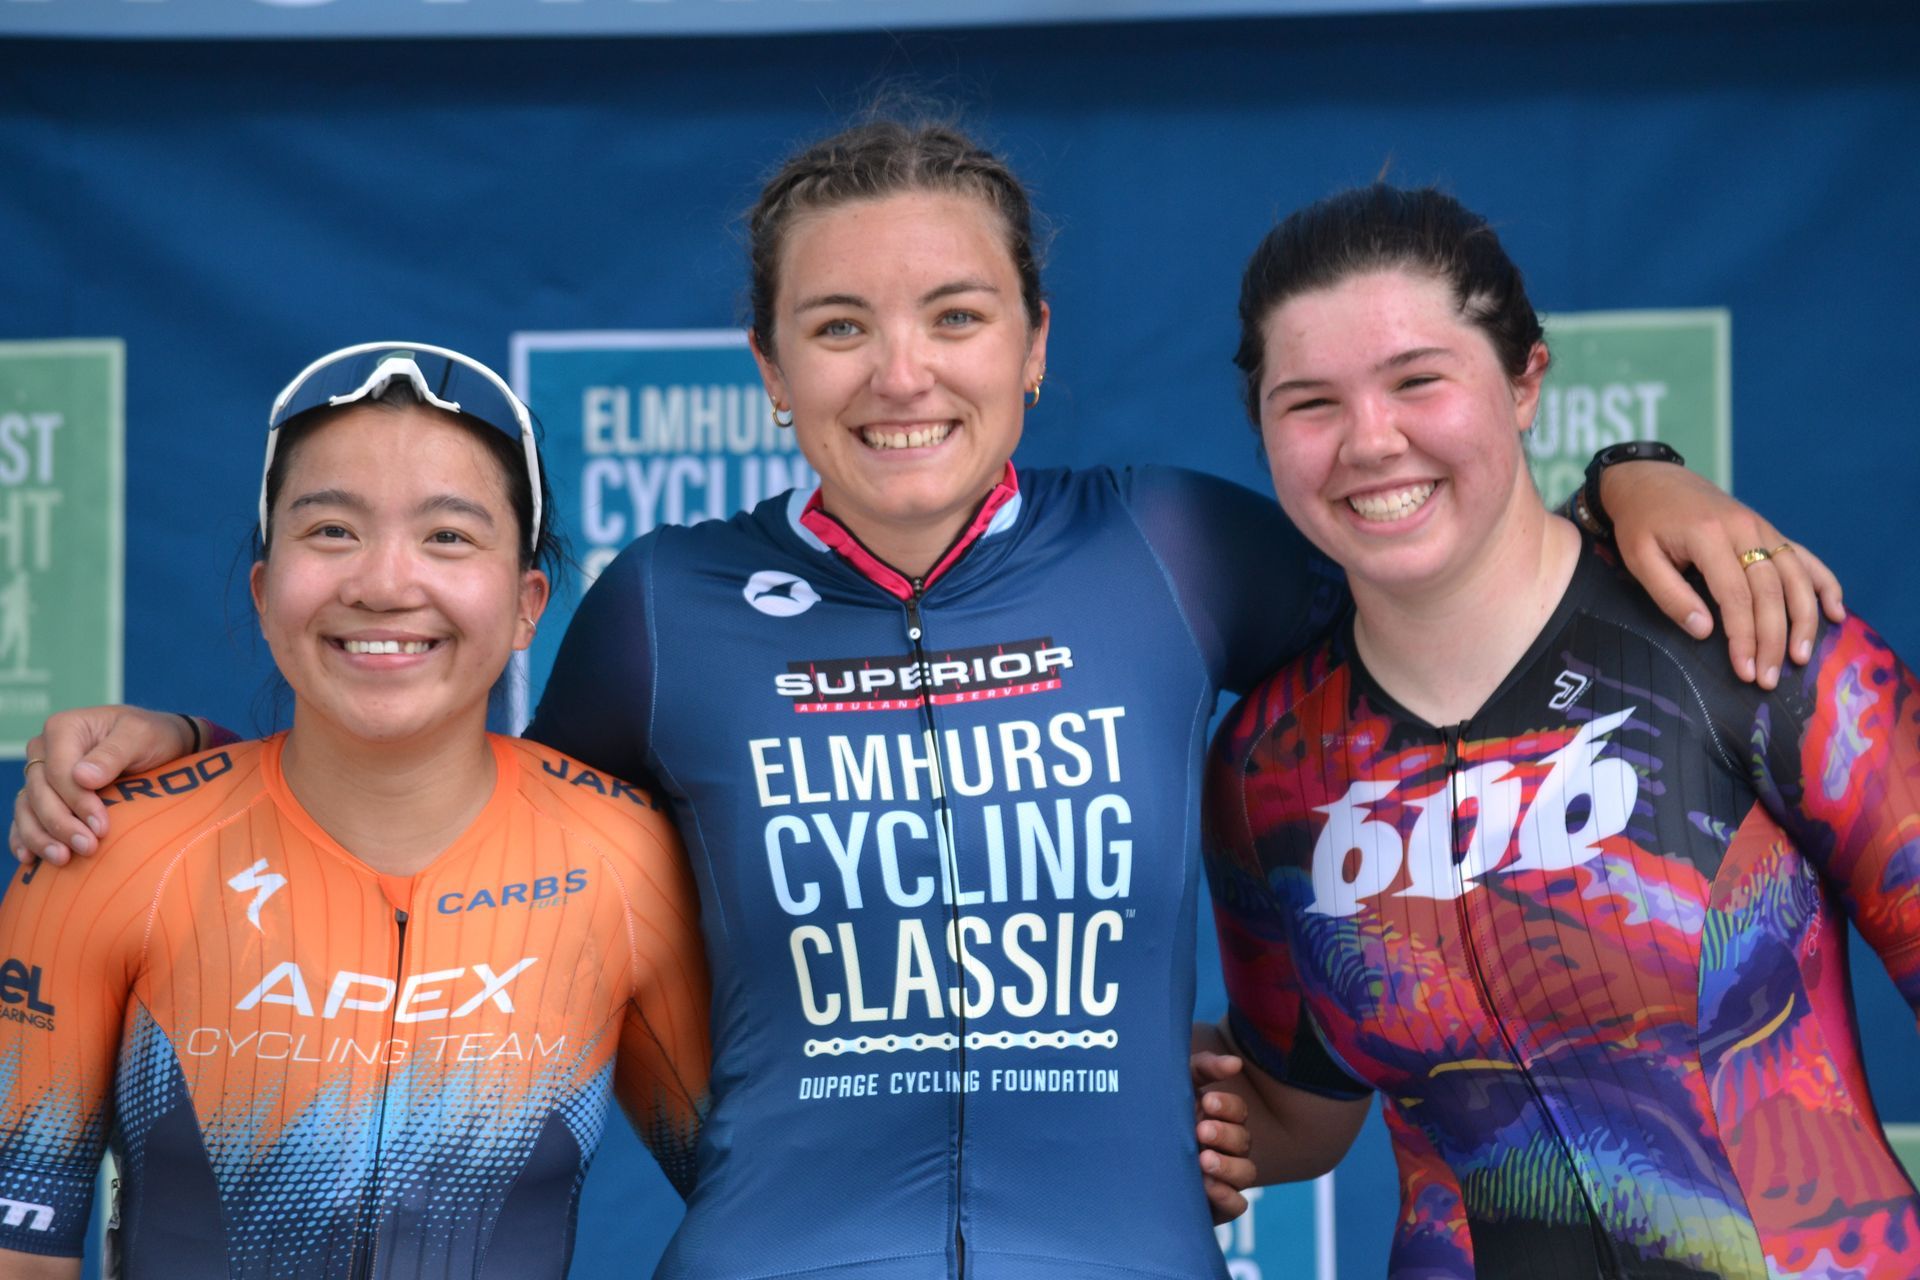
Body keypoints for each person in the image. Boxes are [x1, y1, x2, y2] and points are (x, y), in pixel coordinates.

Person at [10, 123, 1841, 1279]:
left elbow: (1451, 567)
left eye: (958, 316)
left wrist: (1637, 480)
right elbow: (455, 782)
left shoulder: (1175, 551)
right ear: (768, 367)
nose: (903, 372)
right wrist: (185, 750)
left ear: (1035, 345)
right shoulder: (664, 607)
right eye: (839, 327)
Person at [1201, 185, 1919, 1279]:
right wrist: (1137, 1103)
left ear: (1526, 380)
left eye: (1417, 381)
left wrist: (1634, 469)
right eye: (1311, 404)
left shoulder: (1747, 633)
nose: (1370, 441)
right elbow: (1300, 1110)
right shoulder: (1269, 766)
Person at [0, 344, 712, 1278]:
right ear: (264, 592)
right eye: (331, 530)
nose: (383, 582)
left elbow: (775, 1212)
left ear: (529, 604)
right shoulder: (106, 849)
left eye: (449, 536)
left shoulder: (627, 862)